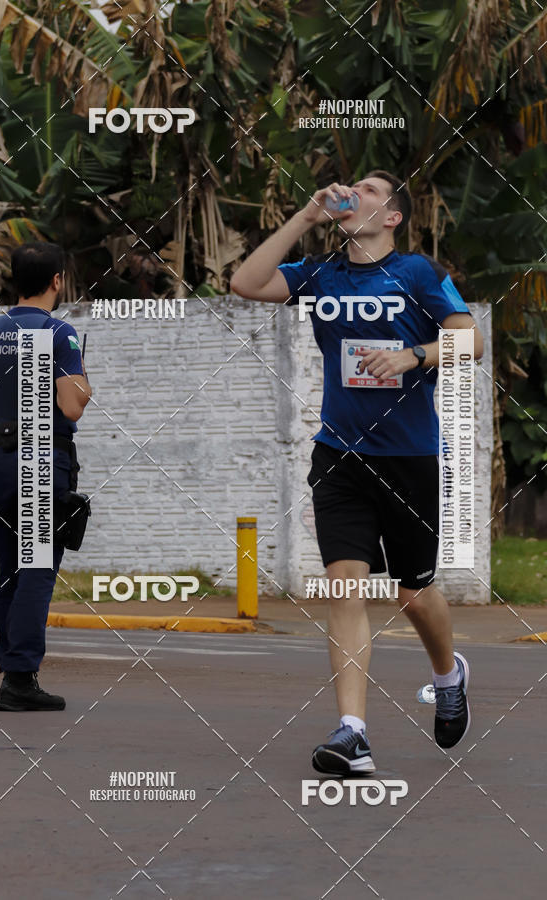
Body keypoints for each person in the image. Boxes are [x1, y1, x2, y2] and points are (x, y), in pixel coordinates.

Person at [230, 170, 483, 775]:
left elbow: (468, 341)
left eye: (370, 191)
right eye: (352, 189)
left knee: (414, 593)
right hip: (340, 455)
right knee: (344, 584)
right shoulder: (322, 273)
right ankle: (353, 733)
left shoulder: (420, 273)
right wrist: (305, 217)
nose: (354, 193)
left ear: (393, 215)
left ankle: (448, 675)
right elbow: (245, 282)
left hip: (411, 457)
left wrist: (411, 354)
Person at [0, 242, 92, 711]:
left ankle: (12, 667)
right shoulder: (60, 333)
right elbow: (72, 404)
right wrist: (86, 380)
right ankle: (19, 680)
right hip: (40, 462)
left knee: (7, 571)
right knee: (36, 571)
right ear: (57, 280)